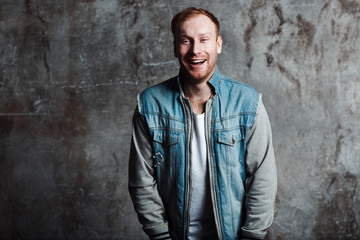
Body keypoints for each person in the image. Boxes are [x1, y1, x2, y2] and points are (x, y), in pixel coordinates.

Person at [128, 7, 277, 240]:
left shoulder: (248, 103)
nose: (195, 50)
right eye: (186, 41)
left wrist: (252, 236)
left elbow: (262, 178)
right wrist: (160, 234)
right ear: (175, 46)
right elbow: (141, 181)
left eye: (204, 40)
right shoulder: (149, 105)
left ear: (218, 44)